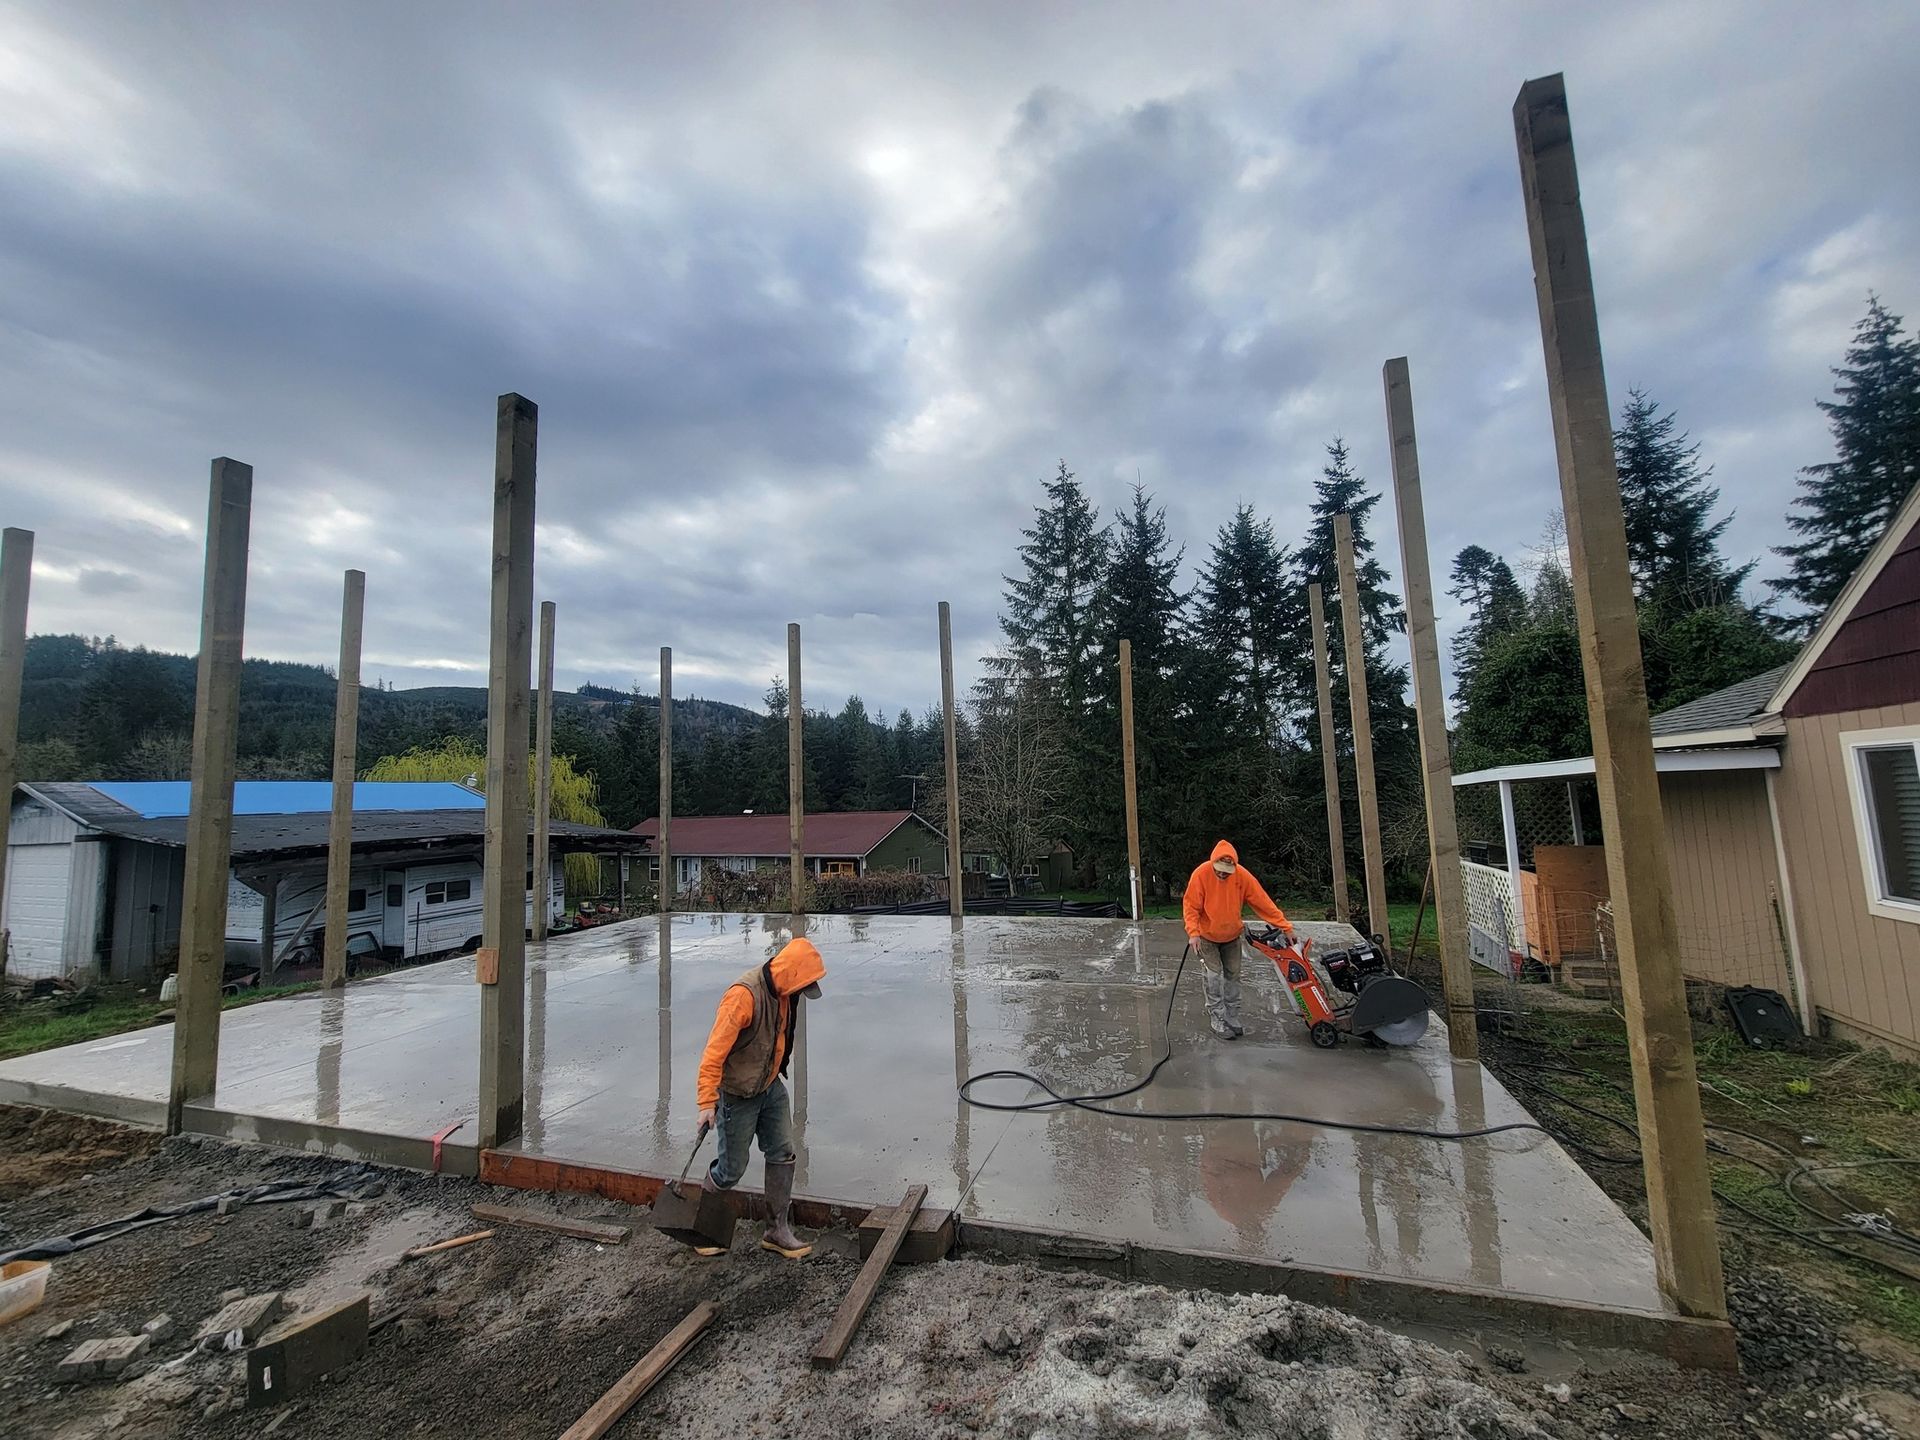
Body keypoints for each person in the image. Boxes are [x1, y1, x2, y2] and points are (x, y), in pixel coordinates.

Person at [695, 933, 826, 1258]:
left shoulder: (783, 992)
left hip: (768, 1087)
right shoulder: (743, 996)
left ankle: (776, 1231)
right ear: (790, 975)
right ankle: (701, 1228)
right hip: (737, 1094)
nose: (801, 994)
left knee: (782, 1151)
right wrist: (706, 1102)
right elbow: (713, 1053)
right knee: (731, 1170)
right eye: (802, 986)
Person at [1182, 840, 1292, 1039]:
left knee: (1233, 976)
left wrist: (1285, 926)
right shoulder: (1201, 874)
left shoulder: (1242, 876)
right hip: (1207, 937)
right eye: (1219, 870)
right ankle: (1217, 1018)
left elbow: (1263, 902)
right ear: (1213, 863)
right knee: (1213, 978)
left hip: (1232, 936)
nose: (1222, 874)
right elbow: (1191, 906)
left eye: (1227, 871)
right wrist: (1193, 933)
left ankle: (1232, 1016)